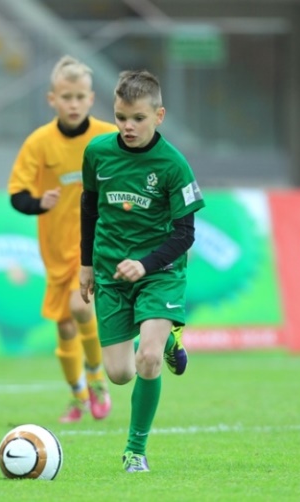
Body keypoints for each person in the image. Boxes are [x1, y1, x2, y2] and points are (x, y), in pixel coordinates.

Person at [79, 69, 205, 472]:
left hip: (160, 272)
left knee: (146, 360)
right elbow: (88, 209)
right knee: (118, 374)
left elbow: (185, 234)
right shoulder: (97, 153)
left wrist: (146, 263)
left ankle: (135, 450)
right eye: (120, 117)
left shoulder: (173, 165)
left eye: (138, 118)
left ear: (159, 115)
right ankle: (168, 340)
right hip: (110, 274)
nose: (128, 126)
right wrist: (85, 265)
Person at [8, 55, 116, 423]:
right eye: (65, 96)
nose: (73, 103)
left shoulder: (107, 137)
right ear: (52, 99)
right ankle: (78, 396)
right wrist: (40, 202)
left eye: (80, 96)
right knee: (66, 325)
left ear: (91, 98)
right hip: (54, 251)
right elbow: (17, 194)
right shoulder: (39, 142)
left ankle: (98, 381)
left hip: (95, 246)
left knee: (81, 307)